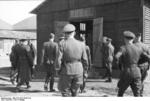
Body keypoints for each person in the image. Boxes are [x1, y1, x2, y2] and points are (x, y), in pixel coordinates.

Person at [57, 24, 88, 97]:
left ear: (64, 34)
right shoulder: (81, 44)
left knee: (65, 92)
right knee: (75, 92)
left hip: (66, 70)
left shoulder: (62, 43)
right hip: (78, 71)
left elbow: (58, 59)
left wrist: (58, 70)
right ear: (74, 33)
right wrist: (85, 71)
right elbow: (85, 60)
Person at [115, 31, 148, 97]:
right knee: (137, 94)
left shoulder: (123, 48)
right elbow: (147, 57)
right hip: (137, 72)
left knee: (120, 93)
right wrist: (138, 62)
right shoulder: (139, 48)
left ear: (125, 39)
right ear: (133, 39)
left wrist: (120, 63)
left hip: (127, 72)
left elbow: (116, 56)